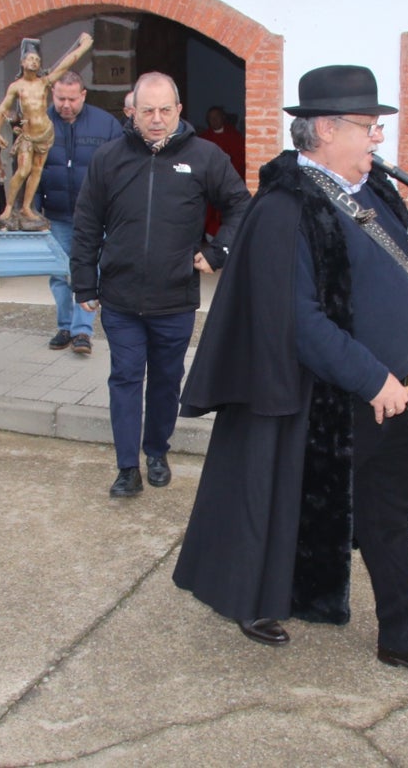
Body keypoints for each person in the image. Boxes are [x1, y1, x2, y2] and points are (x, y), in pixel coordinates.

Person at [172, 65, 408, 685]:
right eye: (368, 127)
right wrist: (371, 378)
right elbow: (298, 317)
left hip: (392, 392)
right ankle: (257, 597)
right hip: (321, 400)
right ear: (324, 129)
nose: (377, 139)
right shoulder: (284, 209)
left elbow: (403, 272)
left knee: (387, 514)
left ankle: (405, 636)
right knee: (278, 505)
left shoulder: (371, 193)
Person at [70, 72, 250, 499]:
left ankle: (156, 450)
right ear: (131, 111)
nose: (155, 119)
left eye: (164, 110)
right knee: (126, 377)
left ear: (178, 110)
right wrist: (84, 284)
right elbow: (86, 223)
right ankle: (127, 466)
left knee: (167, 381)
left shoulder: (205, 156)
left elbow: (241, 206)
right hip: (121, 296)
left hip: (175, 298)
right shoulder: (109, 158)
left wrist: (218, 251)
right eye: (146, 110)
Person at [36, 70, 123, 355]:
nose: (66, 105)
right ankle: (64, 326)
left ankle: (83, 331)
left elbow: (119, 168)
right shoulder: (40, 123)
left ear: (83, 95)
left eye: (72, 99)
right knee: (60, 273)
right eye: (61, 98)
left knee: (89, 270)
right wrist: (33, 210)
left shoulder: (105, 124)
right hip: (56, 213)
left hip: (94, 216)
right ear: (53, 95)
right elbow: (28, 171)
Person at [0, 34, 93, 231]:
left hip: (45, 132)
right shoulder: (17, 87)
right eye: (30, 58)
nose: (34, 62)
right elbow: (3, 109)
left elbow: (65, 65)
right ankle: (9, 207)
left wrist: (84, 46)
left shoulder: (45, 82)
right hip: (28, 135)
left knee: (37, 171)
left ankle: (26, 208)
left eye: (37, 60)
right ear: (22, 62)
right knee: (22, 171)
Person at [198, 105, 246, 238]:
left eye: (216, 117)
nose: (214, 120)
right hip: (209, 183)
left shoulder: (235, 136)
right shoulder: (204, 138)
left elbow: (241, 161)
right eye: (211, 118)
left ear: (223, 118)